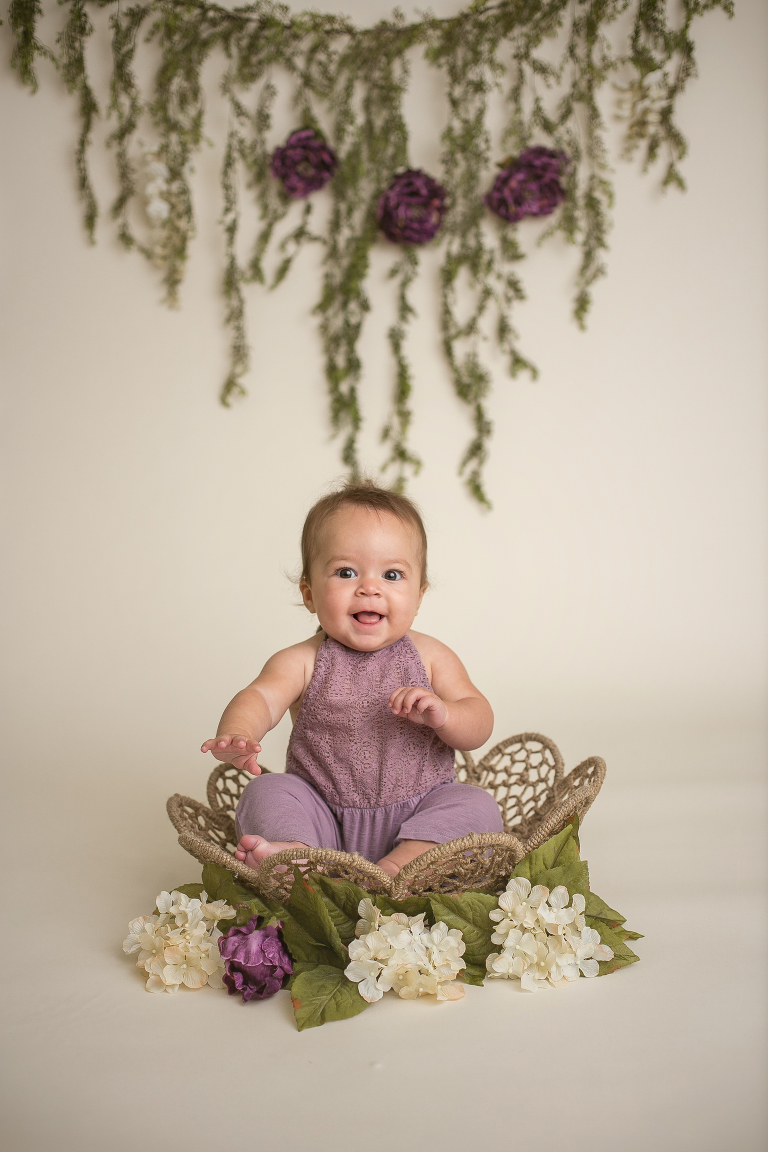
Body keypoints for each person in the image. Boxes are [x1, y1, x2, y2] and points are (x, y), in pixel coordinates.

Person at [201, 480, 503, 878]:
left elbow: (478, 721)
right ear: (309, 593)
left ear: (419, 595)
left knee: (477, 806)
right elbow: (261, 696)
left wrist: (445, 715)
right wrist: (239, 732)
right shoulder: (303, 660)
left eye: (392, 575)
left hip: (420, 811)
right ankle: (296, 854)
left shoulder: (431, 657)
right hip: (323, 815)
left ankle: (401, 867)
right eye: (346, 572)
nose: (370, 588)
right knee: (265, 792)